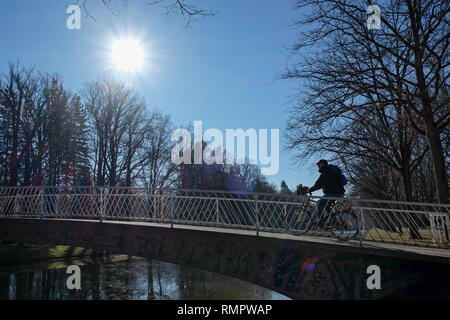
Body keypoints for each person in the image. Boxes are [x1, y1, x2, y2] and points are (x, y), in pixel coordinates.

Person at [306, 159, 345, 226]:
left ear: (323, 164)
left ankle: (322, 221)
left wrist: (309, 190)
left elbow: (318, 185)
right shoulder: (328, 171)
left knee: (320, 203)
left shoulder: (326, 172)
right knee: (327, 206)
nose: (318, 166)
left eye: (319, 164)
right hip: (337, 192)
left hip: (334, 193)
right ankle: (334, 220)